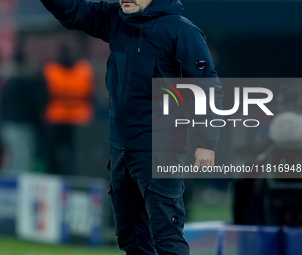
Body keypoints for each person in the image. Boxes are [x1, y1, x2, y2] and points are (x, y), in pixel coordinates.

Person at [40, 0, 224, 254]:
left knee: (166, 236)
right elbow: (71, 10)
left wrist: (206, 142)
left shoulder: (180, 30)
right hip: (122, 149)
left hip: (161, 149)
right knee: (131, 239)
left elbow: (207, 87)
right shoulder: (116, 18)